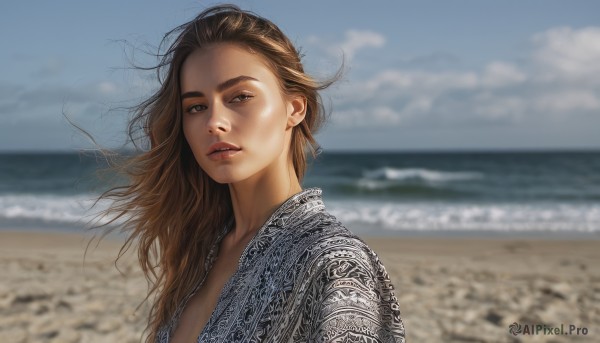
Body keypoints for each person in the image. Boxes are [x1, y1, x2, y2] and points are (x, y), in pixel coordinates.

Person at [94, 4, 405, 343]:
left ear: (294, 108)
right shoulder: (200, 253)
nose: (214, 122)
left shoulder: (335, 263)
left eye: (240, 97)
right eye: (196, 107)